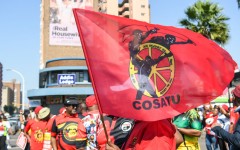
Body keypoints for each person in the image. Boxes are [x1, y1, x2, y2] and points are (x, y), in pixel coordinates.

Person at [211, 85, 240, 150]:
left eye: (233, 95)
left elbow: (237, 140)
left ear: (235, 98)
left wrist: (217, 129)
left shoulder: (233, 111)